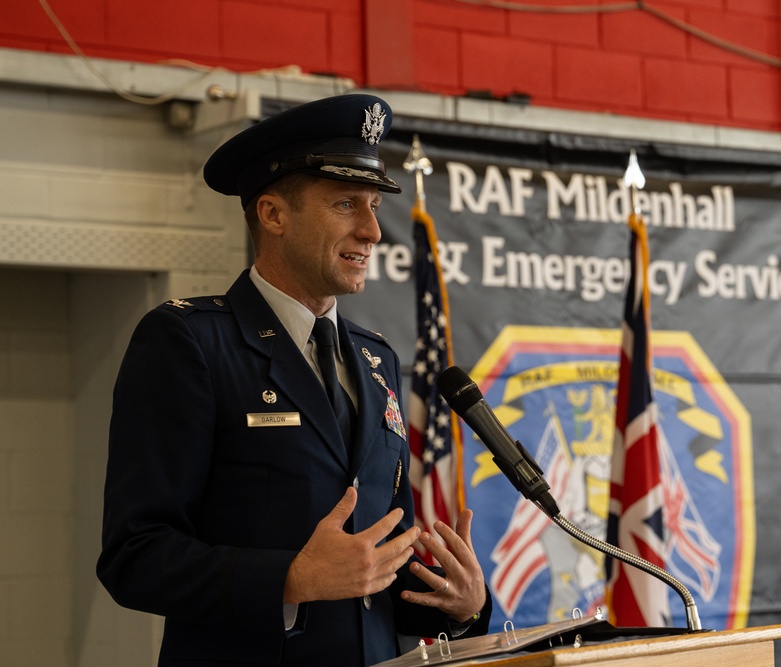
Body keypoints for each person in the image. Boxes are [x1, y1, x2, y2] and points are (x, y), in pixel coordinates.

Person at [97, 94, 491, 666]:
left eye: (375, 205)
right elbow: (133, 557)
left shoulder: (375, 358)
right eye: (346, 204)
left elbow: (376, 572)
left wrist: (459, 604)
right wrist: (289, 578)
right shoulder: (189, 342)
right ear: (273, 214)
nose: (373, 231)